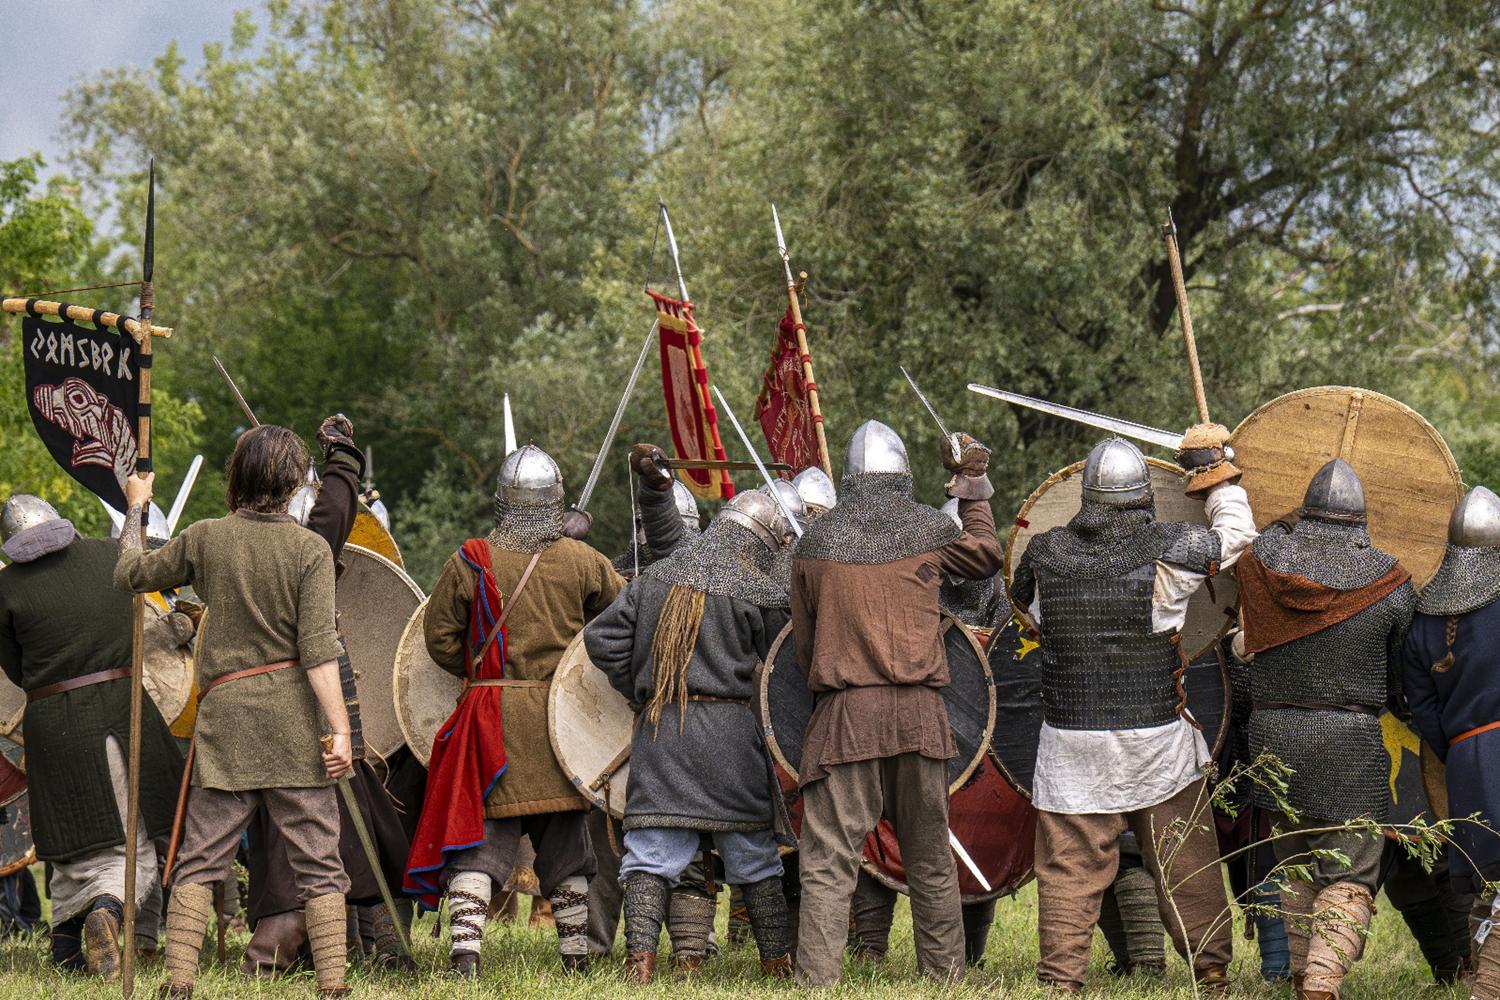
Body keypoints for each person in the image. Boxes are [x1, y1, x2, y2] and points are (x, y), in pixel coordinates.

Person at [115, 425, 355, 999]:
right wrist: (340, 729)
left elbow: (129, 573)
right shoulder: (310, 549)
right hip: (293, 725)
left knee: (199, 862)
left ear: (237, 476)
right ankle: (332, 986)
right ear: (293, 482)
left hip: (226, 724)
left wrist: (136, 509)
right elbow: (318, 650)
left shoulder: (204, 538)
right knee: (320, 864)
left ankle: (179, 984)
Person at [1010, 429, 1253, 995]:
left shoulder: (1045, 553)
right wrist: (1216, 476)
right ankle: (1211, 971)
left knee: (1069, 869)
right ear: (1145, 495)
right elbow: (1238, 537)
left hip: (1071, 741)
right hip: (1155, 741)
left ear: (1086, 498)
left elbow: (1025, 609)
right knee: (1185, 858)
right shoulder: (1170, 549)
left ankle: (1061, 980)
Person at [789, 419, 1001, 986]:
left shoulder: (815, 542)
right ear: (903, 472)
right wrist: (972, 487)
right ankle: (945, 979)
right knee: (929, 858)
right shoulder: (928, 529)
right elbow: (986, 555)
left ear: (849, 475)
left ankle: (817, 983)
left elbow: (805, 650)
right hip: (918, 717)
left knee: (828, 861)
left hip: (846, 717)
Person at [404, 444, 622, 976]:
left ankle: (466, 955)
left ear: (502, 502)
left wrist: (479, 668)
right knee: (566, 842)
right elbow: (622, 615)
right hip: (558, 726)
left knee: (479, 838)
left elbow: (438, 640)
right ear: (556, 501)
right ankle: (575, 959)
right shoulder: (582, 560)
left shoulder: (471, 559)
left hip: (491, 717)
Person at [585, 476, 803, 984]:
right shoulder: (753, 588)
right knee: (753, 855)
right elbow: (781, 662)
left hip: (663, 731)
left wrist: (646, 687)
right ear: (758, 542)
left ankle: (640, 966)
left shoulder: (656, 577)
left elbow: (603, 639)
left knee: (650, 853)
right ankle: (775, 966)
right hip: (730, 737)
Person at [241, 414, 413, 975]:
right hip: (307, 692)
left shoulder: (227, 543)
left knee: (321, 811)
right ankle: (324, 940)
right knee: (342, 810)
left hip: (258, 697)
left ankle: (345, 940)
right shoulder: (299, 549)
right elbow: (336, 513)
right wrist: (341, 456)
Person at [1237, 458, 1414, 1000]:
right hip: (1348, 742)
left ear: (1306, 511)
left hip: (1271, 737)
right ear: (1360, 518)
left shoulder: (1261, 565)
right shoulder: (1389, 582)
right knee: (1351, 872)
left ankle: (1300, 974)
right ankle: (1321, 982)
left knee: (1294, 862)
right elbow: (1399, 682)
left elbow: (1250, 540)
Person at [0, 494, 191, 980]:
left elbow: (17, 670)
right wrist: (137, 504)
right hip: (118, 711)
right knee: (130, 842)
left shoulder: (4, 588)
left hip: (49, 722)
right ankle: (108, 907)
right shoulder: (109, 557)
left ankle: (66, 951)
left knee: (69, 841)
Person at [1403, 485, 1500, 999]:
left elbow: (1424, 712)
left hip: (1464, 759)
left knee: (1488, 879)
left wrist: (1461, 752)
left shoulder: (1424, 620)